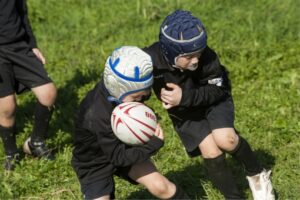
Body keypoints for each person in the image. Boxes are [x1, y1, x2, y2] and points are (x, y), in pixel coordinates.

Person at [143, 10, 275, 200]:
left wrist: (184, 97)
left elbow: (218, 90)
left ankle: (257, 174)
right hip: (185, 113)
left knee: (226, 139)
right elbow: (130, 76)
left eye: (198, 53)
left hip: (214, 101)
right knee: (210, 150)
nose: (196, 59)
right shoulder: (150, 60)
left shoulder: (208, 57)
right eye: (188, 56)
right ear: (170, 52)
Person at [71, 46, 189, 200]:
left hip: (127, 147)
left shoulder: (120, 85)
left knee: (161, 187)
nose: (142, 101)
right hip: (94, 163)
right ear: (118, 90)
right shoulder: (96, 115)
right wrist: (151, 145)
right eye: (137, 98)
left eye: (144, 96)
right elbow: (118, 157)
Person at [0, 0, 57, 171]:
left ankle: (36, 142)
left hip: (19, 47)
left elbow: (22, 13)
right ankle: (11, 152)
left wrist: (32, 45)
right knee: (7, 107)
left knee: (48, 93)